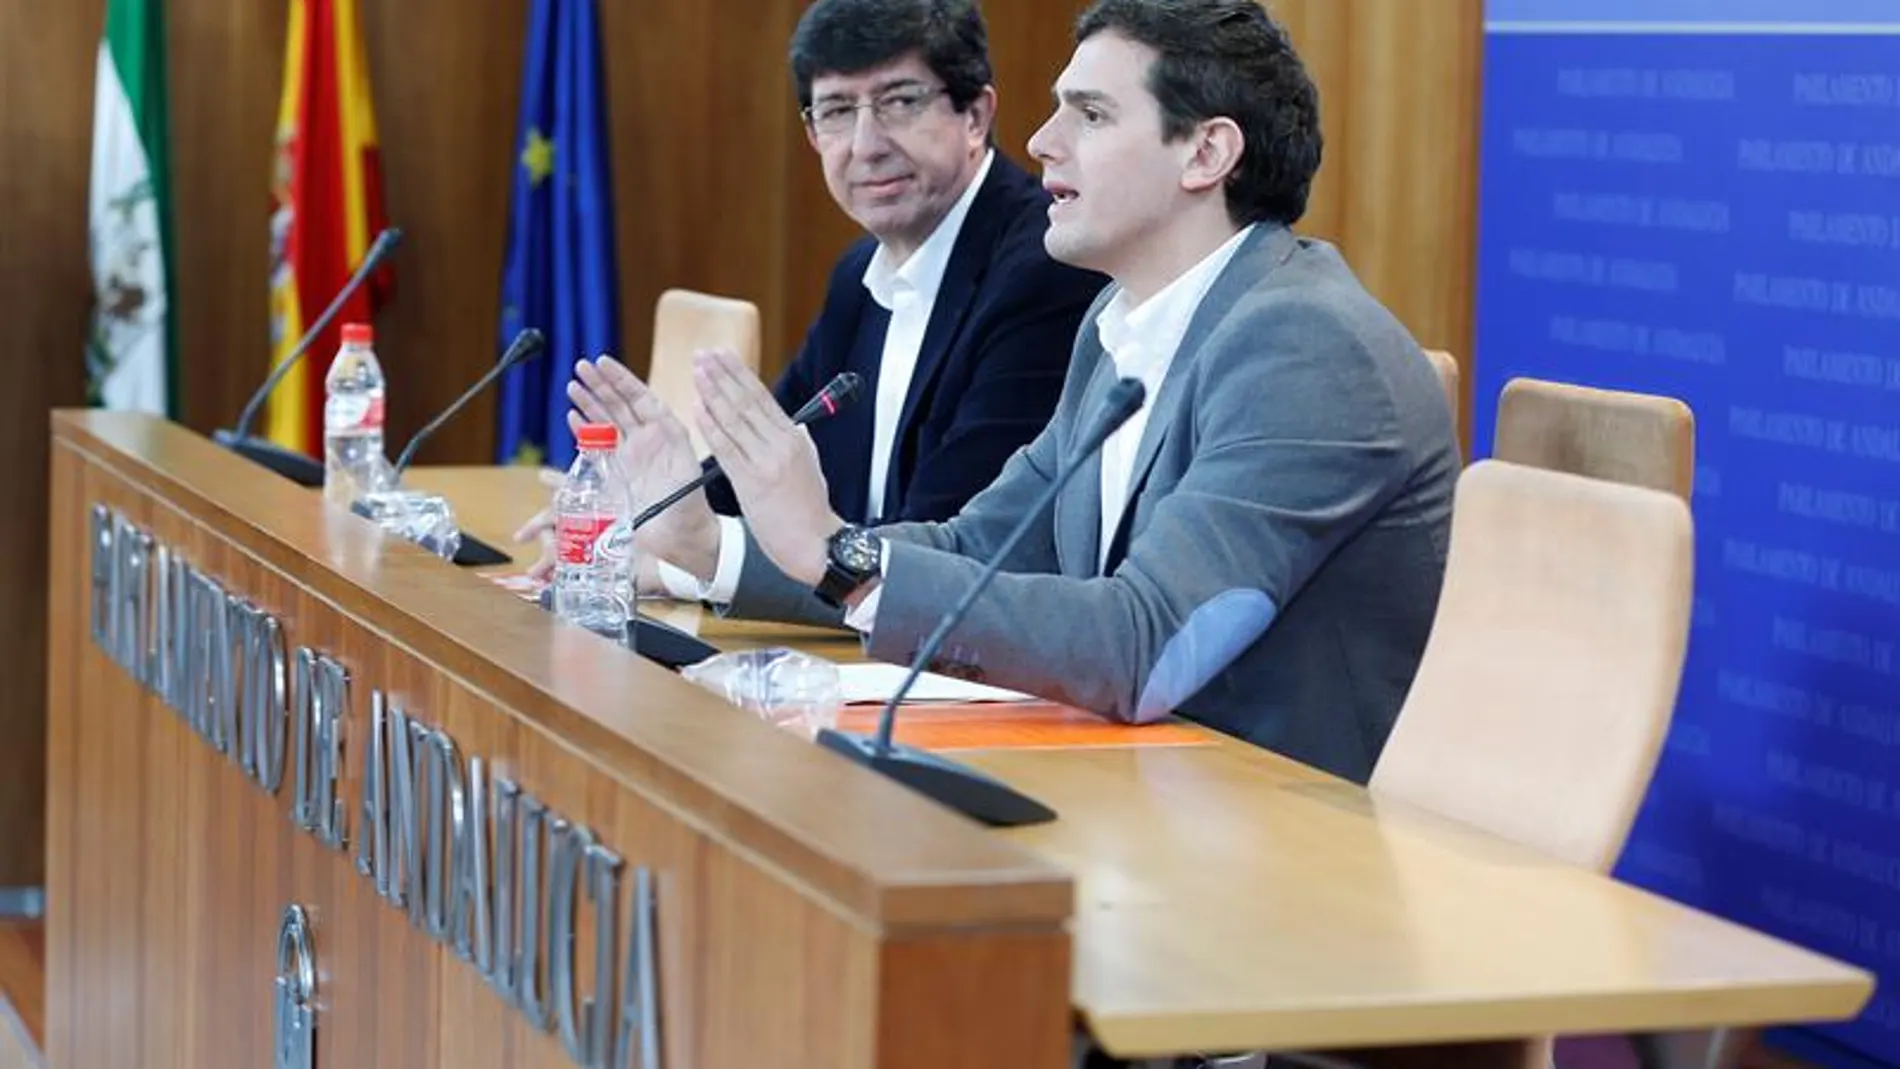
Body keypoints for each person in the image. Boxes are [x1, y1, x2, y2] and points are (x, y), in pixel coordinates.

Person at [583, 0, 1459, 789]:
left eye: (1090, 114)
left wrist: (838, 554)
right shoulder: (1120, 323)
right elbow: (977, 545)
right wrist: (712, 543)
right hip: (1138, 787)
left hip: (1282, 843)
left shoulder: (1304, 345)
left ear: (1207, 151)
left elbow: (1143, 643)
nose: (1042, 142)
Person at [517, 0, 1105, 585]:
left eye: (900, 102)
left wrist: (686, 563)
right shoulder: (858, 279)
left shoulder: (1045, 271)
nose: (866, 144)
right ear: (812, 134)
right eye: (838, 111)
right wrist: (633, 519)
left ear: (975, 116)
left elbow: (948, 551)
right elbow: (758, 472)